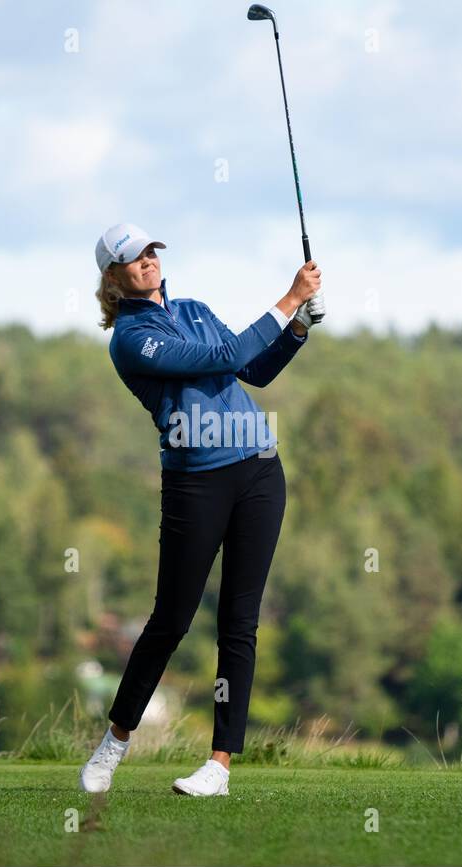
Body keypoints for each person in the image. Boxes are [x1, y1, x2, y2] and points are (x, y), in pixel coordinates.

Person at [80, 222, 321, 796]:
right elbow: (228, 351)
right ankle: (115, 741)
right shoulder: (132, 339)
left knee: (239, 624)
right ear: (114, 277)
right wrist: (288, 298)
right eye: (134, 258)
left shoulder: (194, 308)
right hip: (196, 483)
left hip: (259, 470)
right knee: (170, 621)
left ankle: (219, 766)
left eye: (151, 252)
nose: (148, 262)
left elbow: (250, 368)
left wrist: (297, 330)